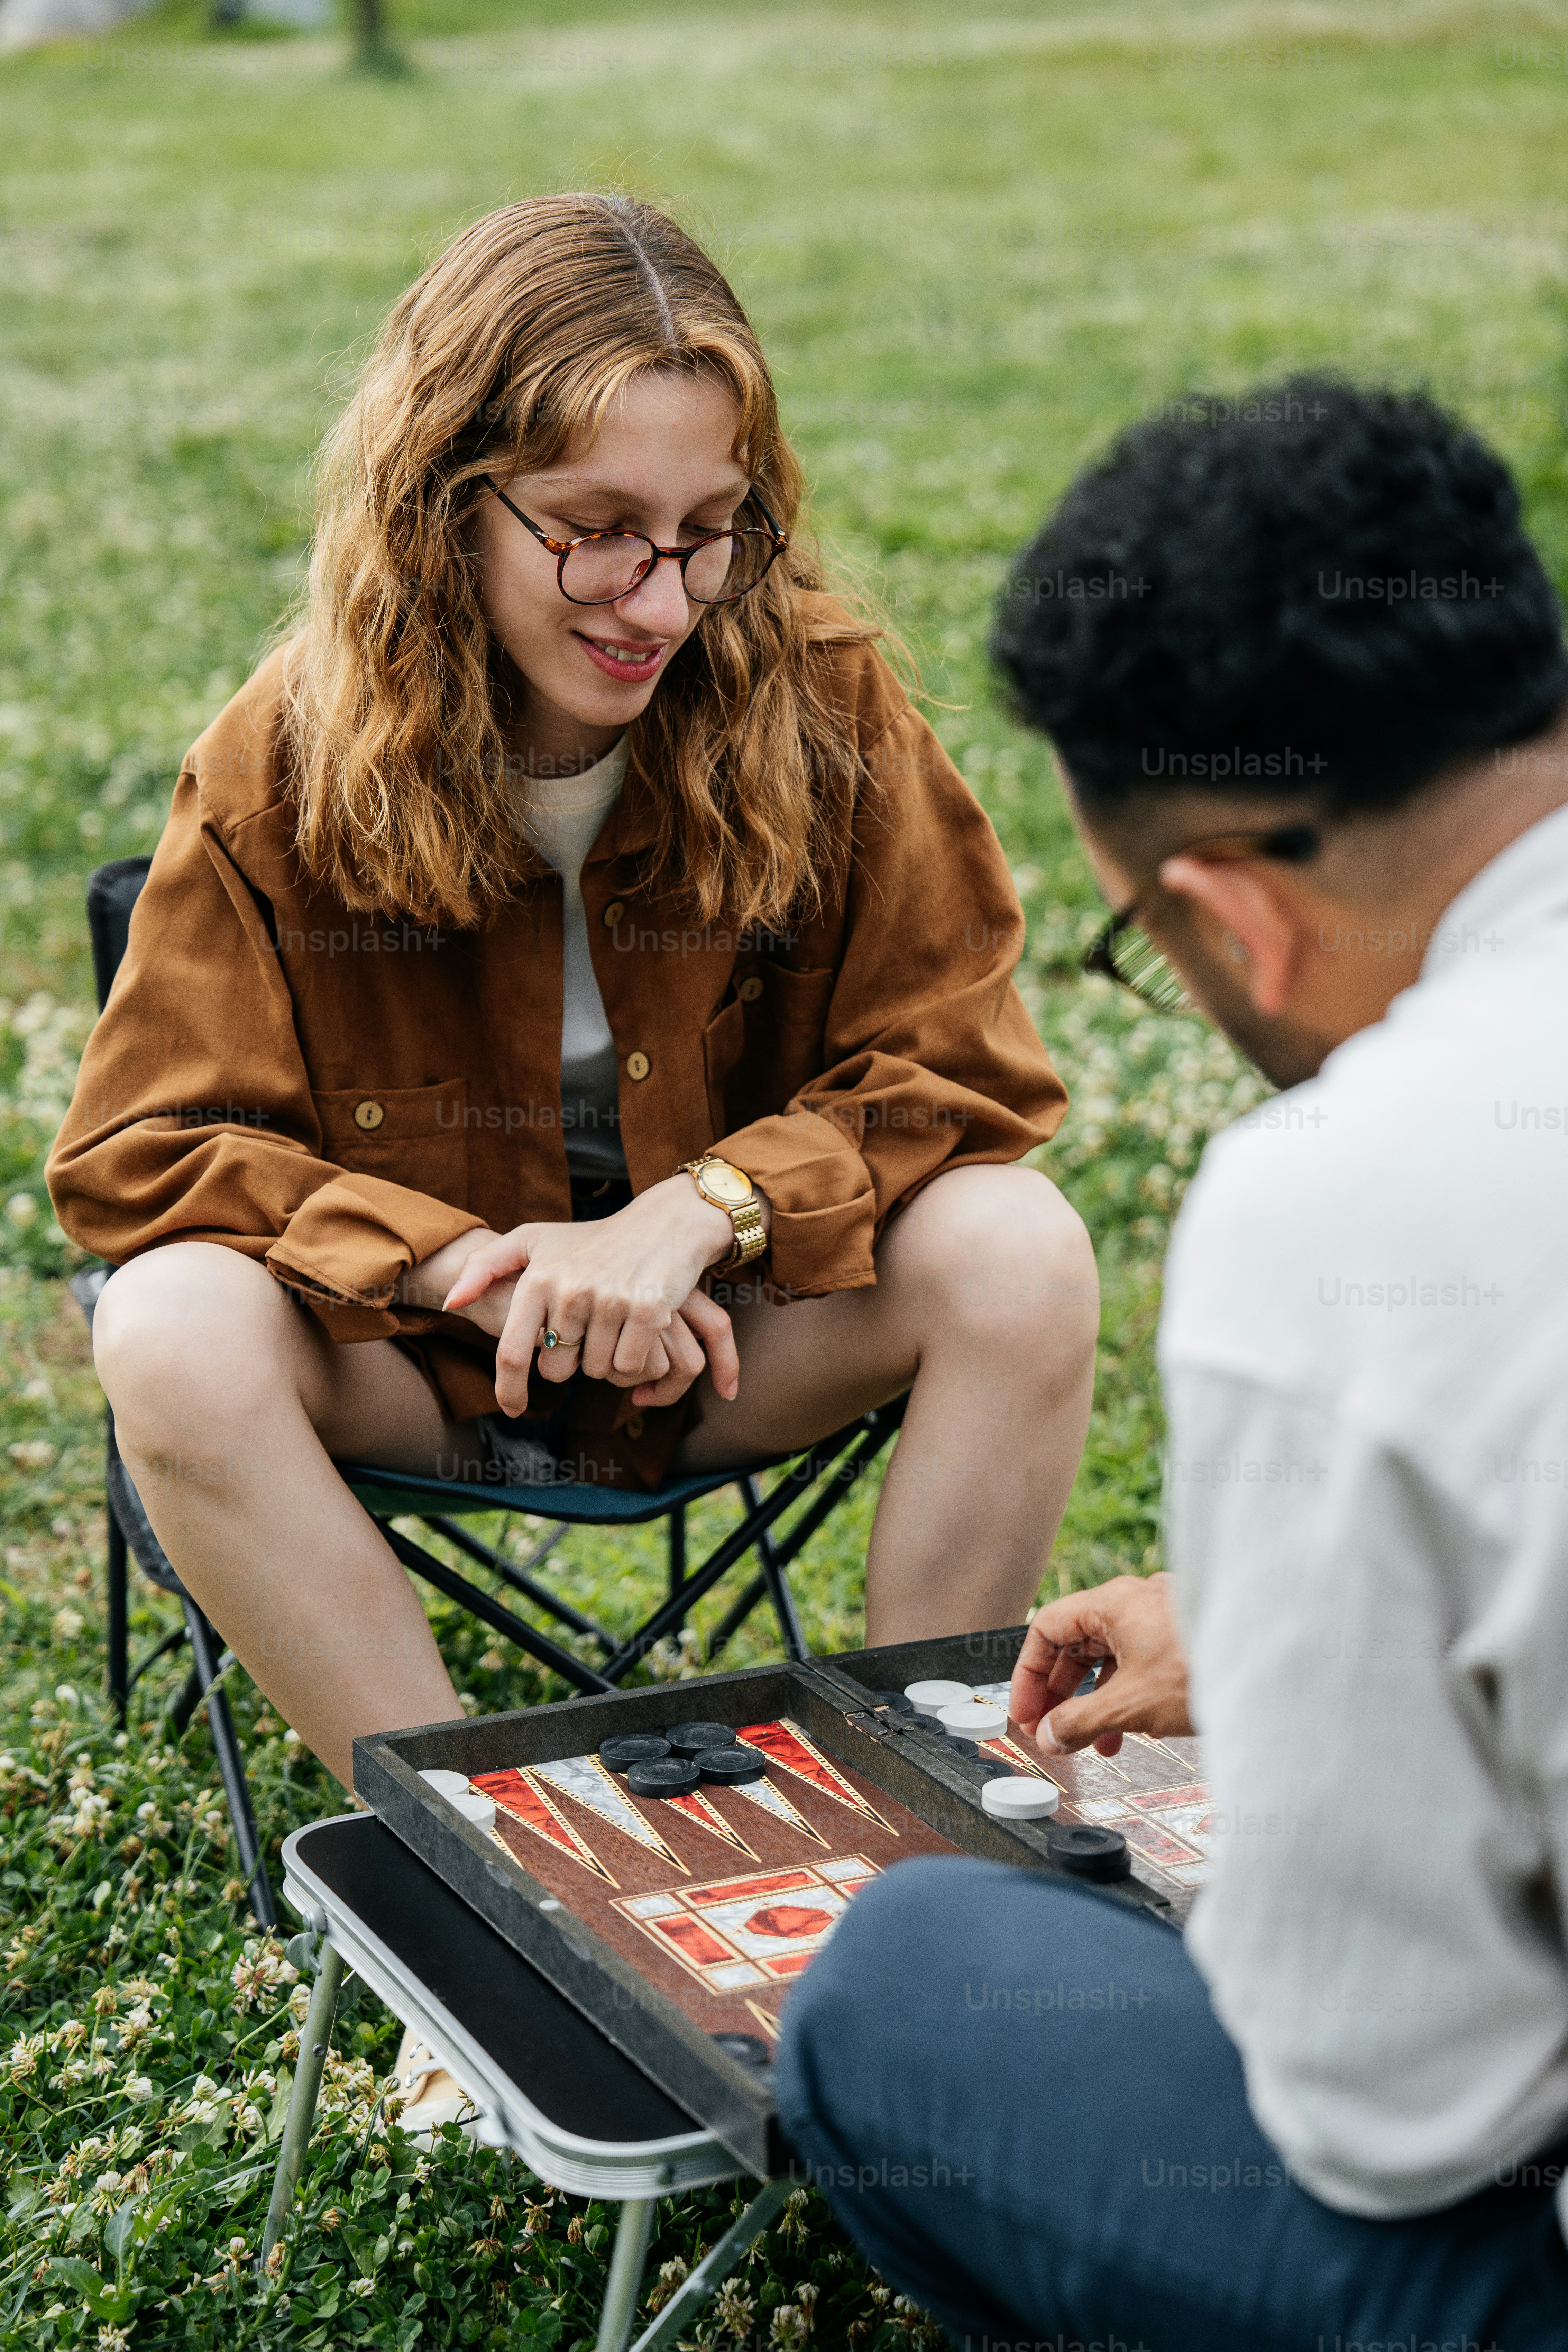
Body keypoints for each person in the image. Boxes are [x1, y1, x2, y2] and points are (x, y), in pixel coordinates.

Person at [47, 195, 1096, 1807]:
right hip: (415, 1360)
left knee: (1020, 1244)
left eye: (709, 525)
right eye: (594, 525)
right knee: (172, 1325)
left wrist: (702, 1212)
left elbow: (960, 1061)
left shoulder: (817, 691)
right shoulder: (283, 755)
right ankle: (470, 1847)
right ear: (444, 501)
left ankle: (934, 1807)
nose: (662, 599)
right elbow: (142, 1151)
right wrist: (459, 1263)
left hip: (733, 1342)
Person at [776, 378, 1568, 2349]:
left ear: (1231, 917)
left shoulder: (1343, 1202)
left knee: (904, 1982)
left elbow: (1399, 2116)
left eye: (1148, 950)